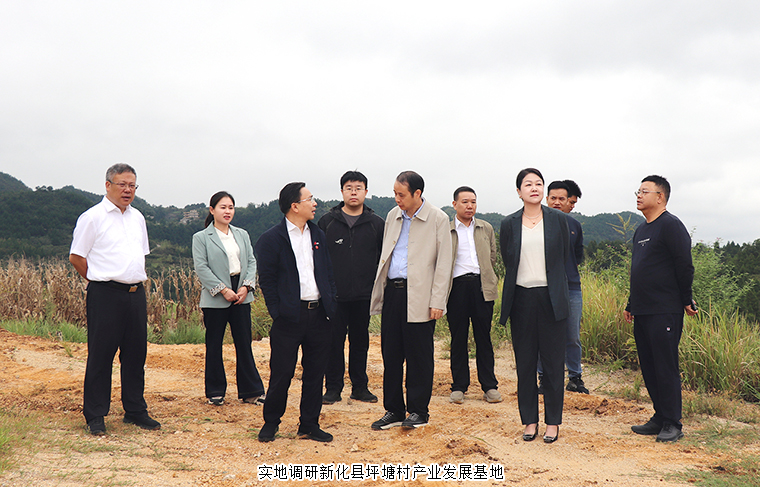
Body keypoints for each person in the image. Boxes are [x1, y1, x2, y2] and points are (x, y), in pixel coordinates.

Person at [69, 163, 160, 435]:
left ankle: (135, 410)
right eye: (122, 184)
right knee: (101, 355)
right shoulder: (92, 217)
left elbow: (140, 254)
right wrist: (97, 279)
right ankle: (95, 414)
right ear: (108, 185)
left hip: (135, 294)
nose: (127, 190)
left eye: (132, 185)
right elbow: (76, 256)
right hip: (105, 294)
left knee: (135, 354)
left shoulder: (138, 217)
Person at [254, 182, 337, 443]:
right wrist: (278, 312)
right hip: (289, 318)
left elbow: (328, 272)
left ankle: (309, 424)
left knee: (315, 373)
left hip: (319, 314)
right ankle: (271, 422)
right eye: (310, 199)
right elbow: (267, 281)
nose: (315, 203)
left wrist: (331, 302)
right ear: (295, 206)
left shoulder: (318, 234)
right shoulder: (271, 239)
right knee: (282, 373)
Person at [369, 171, 452, 430]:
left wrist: (438, 301)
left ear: (417, 193)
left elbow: (444, 264)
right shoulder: (393, 216)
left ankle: (418, 411)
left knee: (419, 357)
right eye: (395, 193)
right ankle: (394, 410)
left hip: (421, 295)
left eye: (401, 194)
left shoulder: (438, 218)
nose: (397, 199)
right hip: (393, 293)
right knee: (391, 354)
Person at [499, 168, 571, 444]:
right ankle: (530, 421)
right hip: (522, 299)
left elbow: (565, 257)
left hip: (551, 299)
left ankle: (553, 423)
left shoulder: (558, 220)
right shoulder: (509, 223)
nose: (534, 188)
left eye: (538, 183)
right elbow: (508, 259)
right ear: (519, 191)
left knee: (553, 364)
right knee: (525, 364)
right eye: (528, 184)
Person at [624, 175, 697, 443]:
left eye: (644, 191)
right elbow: (639, 271)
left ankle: (673, 422)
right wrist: (631, 303)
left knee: (665, 365)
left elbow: (684, 265)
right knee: (649, 365)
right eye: (638, 191)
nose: (638, 195)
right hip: (642, 309)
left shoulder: (671, 225)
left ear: (660, 197)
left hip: (665, 309)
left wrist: (686, 298)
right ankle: (659, 416)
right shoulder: (641, 230)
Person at [192, 191, 266, 407]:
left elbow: (251, 261)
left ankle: (251, 391)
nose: (227, 211)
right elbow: (201, 267)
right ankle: (215, 391)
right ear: (212, 210)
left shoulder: (242, 234)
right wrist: (223, 290)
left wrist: (246, 287)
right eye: (223, 207)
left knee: (244, 343)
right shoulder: (201, 237)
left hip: (241, 294)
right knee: (214, 344)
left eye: (231, 207)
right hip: (216, 296)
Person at [318, 171, 384, 405]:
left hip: (364, 295)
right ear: (342, 191)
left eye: (358, 188)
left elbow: (383, 259)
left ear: (366, 192)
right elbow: (318, 258)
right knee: (333, 342)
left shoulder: (376, 224)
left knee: (360, 342)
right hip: (334, 296)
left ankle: (360, 387)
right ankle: (333, 388)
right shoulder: (327, 222)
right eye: (349, 188)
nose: (353, 192)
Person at [446, 186, 501, 405]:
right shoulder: (446, 229)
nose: (470, 206)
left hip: (481, 287)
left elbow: (492, 257)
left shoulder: (485, 227)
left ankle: (489, 386)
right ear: (455, 204)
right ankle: (459, 386)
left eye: (473, 202)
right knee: (458, 338)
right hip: (456, 288)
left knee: (483, 337)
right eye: (465, 202)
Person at [538, 181, 588, 394]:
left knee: (572, 335)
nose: (557, 202)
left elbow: (577, 256)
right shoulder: (536, 223)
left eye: (562, 199)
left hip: (571, 287)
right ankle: (544, 378)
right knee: (543, 334)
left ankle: (575, 377)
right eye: (553, 198)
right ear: (546, 199)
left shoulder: (574, 225)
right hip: (543, 286)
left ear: (568, 201)